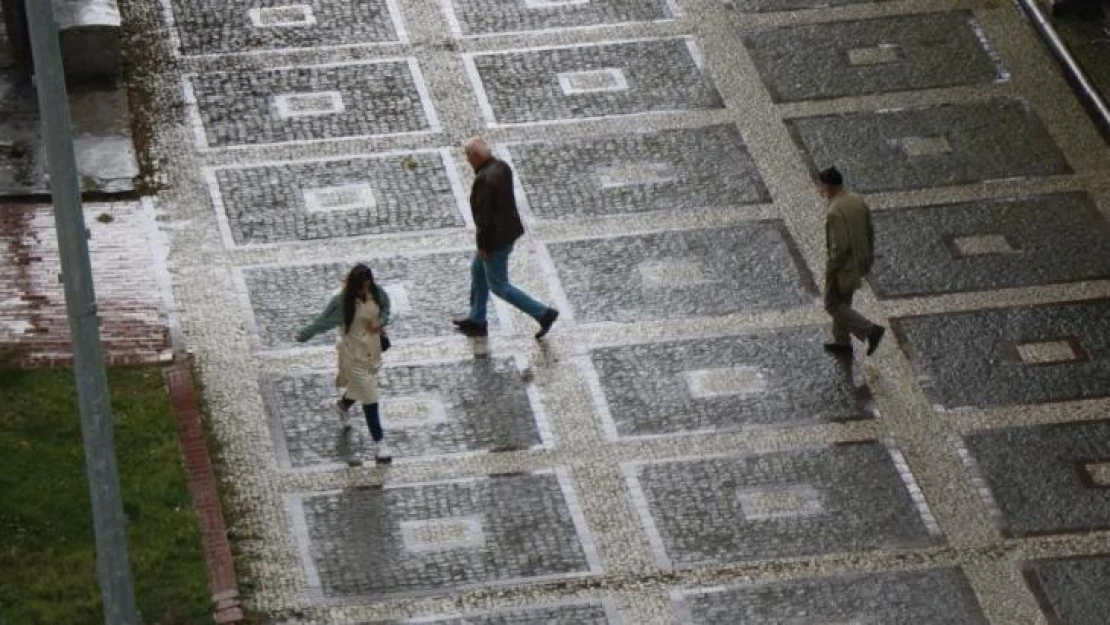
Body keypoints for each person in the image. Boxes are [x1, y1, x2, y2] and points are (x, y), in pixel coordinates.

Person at [452, 136, 559, 340]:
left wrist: (483, 245)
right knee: (478, 271)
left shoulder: (484, 179)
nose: (466, 160)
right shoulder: (502, 166)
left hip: (494, 240)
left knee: (498, 285)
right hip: (506, 232)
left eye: (467, 156)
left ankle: (543, 313)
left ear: (476, 156)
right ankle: (477, 319)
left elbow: (483, 217)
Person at [295, 264, 392, 463]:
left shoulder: (376, 291)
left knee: (361, 389)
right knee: (370, 397)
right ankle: (379, 442)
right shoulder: (341, 302)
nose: (366, 290)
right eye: (362, 286)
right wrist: (305, 334)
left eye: (368, 285)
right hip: (353, 356)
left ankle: (342, 406)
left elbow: (386, 307)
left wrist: (381, 322)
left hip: (372, 353)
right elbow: (323, 321)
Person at [817, 166, 885, 357]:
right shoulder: (856, 200)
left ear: (829, 186)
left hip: (843, 266)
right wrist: (868, 257)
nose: (821, 190)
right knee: (844, 301)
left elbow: (840, 246)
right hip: (859, 260)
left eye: (822, 186)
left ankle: (870, 330)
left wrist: (831, 266)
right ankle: (842, 340)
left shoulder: (834, 211)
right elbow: (869, 230)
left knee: (832, 304)